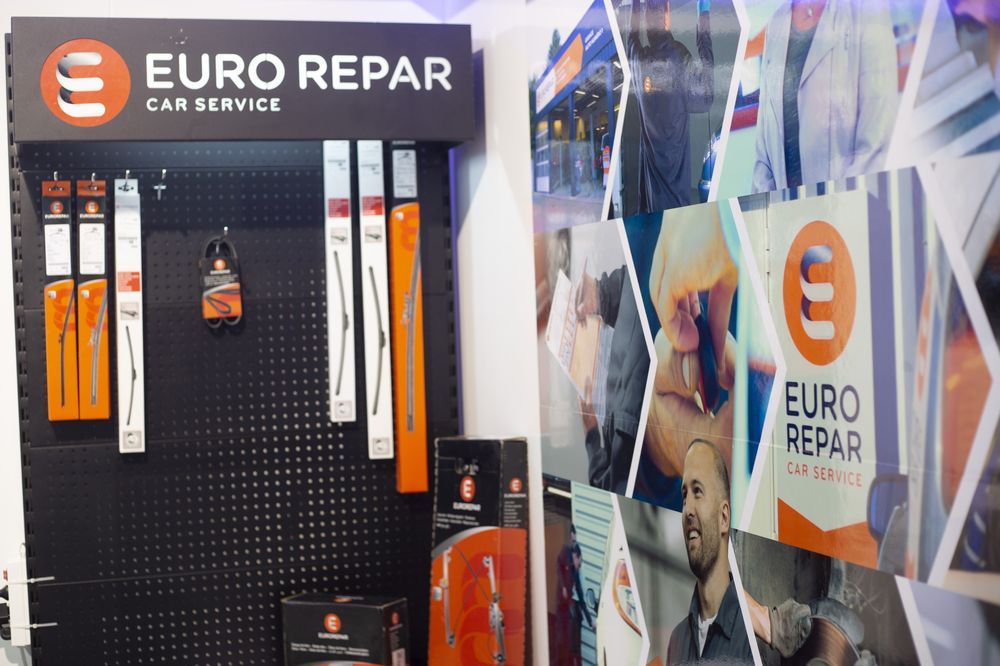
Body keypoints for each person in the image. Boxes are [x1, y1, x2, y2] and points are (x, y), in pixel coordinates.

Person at [752, 0, 898, 193]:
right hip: (787, 209)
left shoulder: (868, 11)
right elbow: (763, 157)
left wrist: (837, 207)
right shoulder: (776, 20)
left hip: (845, 204)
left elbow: (875, 144)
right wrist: (772, 207)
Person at [620, 0, 715, 212]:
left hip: (650, 207)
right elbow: (706, 98)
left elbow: (631, 38)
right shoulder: (679, 57)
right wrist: (703, 20)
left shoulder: (639, 61)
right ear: (667, 16)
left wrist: (636, 5)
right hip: (677, 204)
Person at [666, 440, 751, 663]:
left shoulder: (751, 633)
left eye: (697, 491)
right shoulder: (677, 641)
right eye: (684, 496)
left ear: (724, 518)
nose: (687, 510)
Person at [576, 264, 649, 494]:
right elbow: (633, 281)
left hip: (624, 431)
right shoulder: (649, 253)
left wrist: (591, 437)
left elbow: (610, 488)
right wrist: (600, 293)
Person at [554, 525, 592, 665]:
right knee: (566, 646)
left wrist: (590, 621)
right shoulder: (566, 565)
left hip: (573, 613)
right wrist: (564, 587)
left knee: (574, 648)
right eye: (577, 559)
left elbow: (582, 599)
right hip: (565, 613)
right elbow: (559, 567)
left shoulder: (577, 573)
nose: (578, 562)